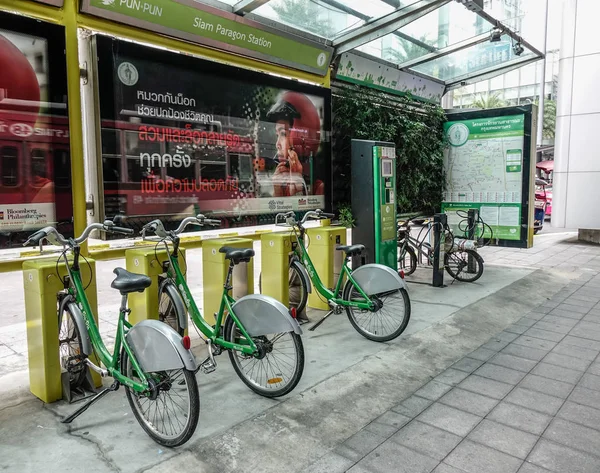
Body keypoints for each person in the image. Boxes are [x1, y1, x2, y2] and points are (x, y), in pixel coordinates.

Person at [265, 91, 324, 197]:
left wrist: (297, 187)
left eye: (283, 134)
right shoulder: (283, 184)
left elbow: (304, 213)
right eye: (277, 135)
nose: (277, 144)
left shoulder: (318, 188)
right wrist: (277, 191)